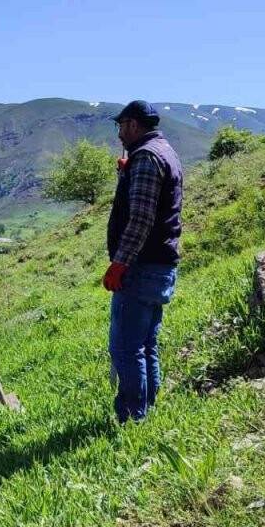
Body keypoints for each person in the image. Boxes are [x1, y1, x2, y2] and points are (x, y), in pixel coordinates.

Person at [102, 100, 182, 423]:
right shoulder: (164, 152)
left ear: (134, 125)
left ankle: (132, 418)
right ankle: (147, 409)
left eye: (121, 126)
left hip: (141, 267)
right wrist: (128, 173)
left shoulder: (148, 157)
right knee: (146, 342)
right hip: (160, 266)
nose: (119, 133)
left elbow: (141, 219)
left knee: (125, 347)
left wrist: (119, 263)